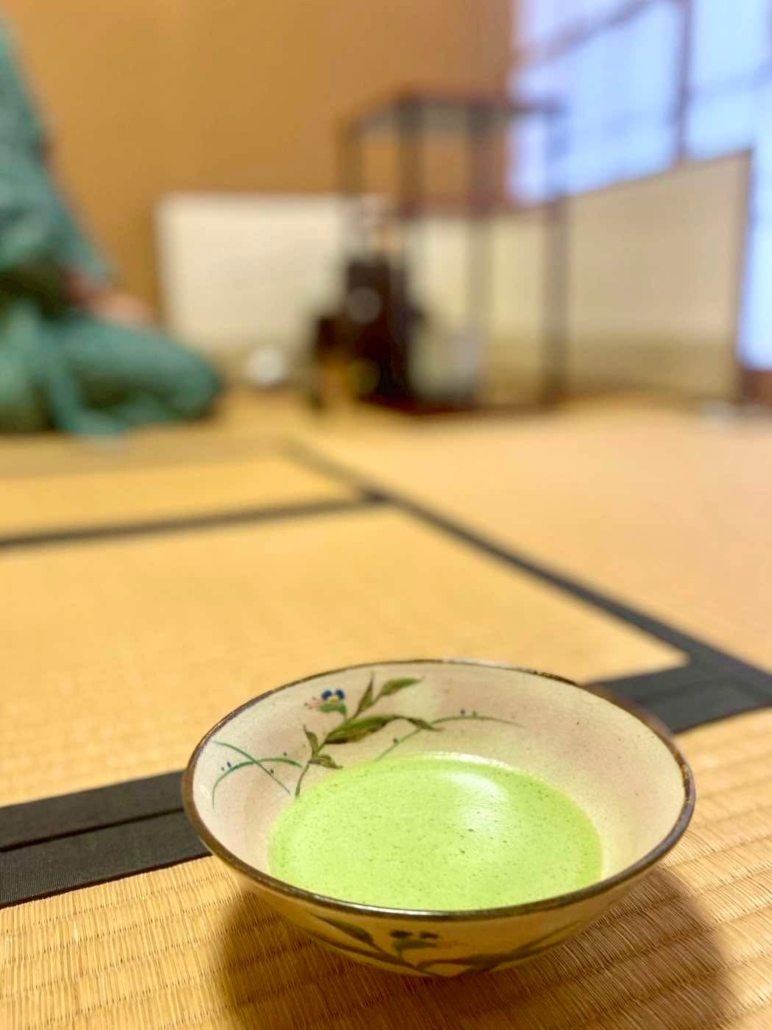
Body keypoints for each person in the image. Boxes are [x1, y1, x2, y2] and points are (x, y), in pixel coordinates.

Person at [0, 20, 221, 434]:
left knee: (188, 375)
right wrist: (83, 294)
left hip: (47, 318)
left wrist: (97, 293)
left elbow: (37, 183)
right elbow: (18, 234)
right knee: (189, 379)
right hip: (20, 320)